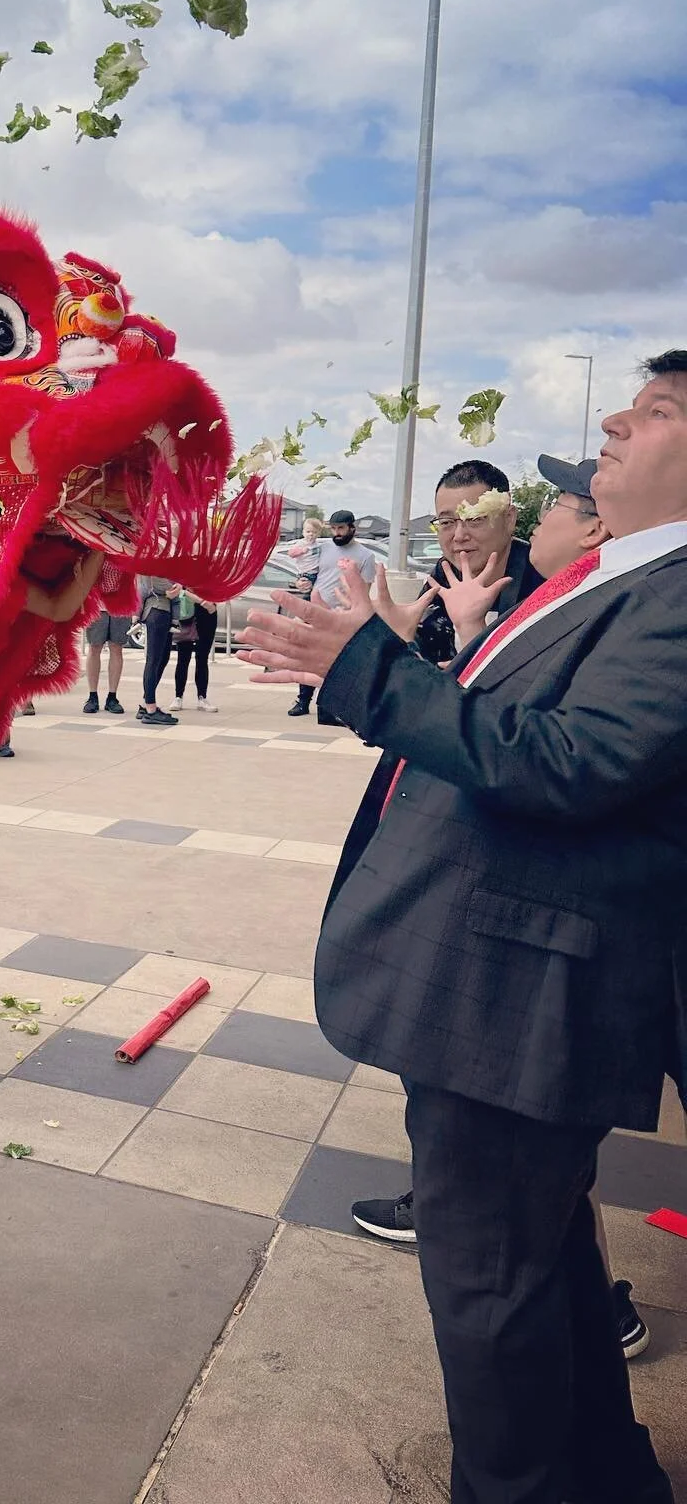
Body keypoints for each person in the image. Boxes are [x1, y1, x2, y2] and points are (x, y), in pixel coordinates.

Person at [238, 356, 687, 1504]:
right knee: (542, 1269)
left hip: (524, 993)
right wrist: (404, 659)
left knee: (491, 1293)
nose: (615, 420)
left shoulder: (677, 593)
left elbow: (573, 763)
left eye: (657, 411)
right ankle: (608, 1476)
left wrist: (368, 672)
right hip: (499, 978)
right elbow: (514, 724)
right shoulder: (628, 576)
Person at [351, 455, 651, 1359]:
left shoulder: (586, 597)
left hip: (519, 924)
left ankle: (597, 1309)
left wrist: (381, 664)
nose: (455, 530)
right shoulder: (490, 591)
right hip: (471, 897)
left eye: (473, 512)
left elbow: (528, 751)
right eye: (443, 517)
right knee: (485, 1142)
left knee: (525, 1172)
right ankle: (451, 1203)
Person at [415, 459, 540, 667]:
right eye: (446, 522)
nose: (459, 536)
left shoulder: (541, 578)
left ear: (509, 519)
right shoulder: (444, 575)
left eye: (474, 519)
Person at [287, 510, 376, 720]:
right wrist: (301, 583)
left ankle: (331, 706)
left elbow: (364, 590)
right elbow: (308, 571)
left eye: (341, 528)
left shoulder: (365, 556)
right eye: (334, 529)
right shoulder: (323, 548)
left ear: (352, 528)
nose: (337, 533)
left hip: (343, 615)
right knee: (309, 655)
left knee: (337, 661)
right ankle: (303, 700)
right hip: (316, 610)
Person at [137, 576, 180, 725]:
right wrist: (175, 586)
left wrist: (178, 585)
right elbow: (150, 580)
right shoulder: (151, 566)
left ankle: (146, 704)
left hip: (163, 609)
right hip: (157, 608)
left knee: (161, 658)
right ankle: (150, 709)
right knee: (154, 660)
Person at [170, 590, 219, 712]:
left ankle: (202, 697)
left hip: (207, 614)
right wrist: (200, 600)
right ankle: (178, 696)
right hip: (186, 612)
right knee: (183, 658)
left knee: (202, 658)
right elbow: (179, 589)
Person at [82, 609, 131, 714]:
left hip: (121, 607)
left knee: (117, 647)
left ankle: (112, 697)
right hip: (97, 607)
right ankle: (92, 696)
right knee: (94, 647)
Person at [284, 515, 324, 599]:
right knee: (307, 592)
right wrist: (301, 551)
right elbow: (291, 553)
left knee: (317, 593)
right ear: (303, 532)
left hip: (316, 572)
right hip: (306, 573)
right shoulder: (301, 543)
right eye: (308, 531)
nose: (311, 534)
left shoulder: (318, 545)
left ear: (318, 534)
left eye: (314, 532)